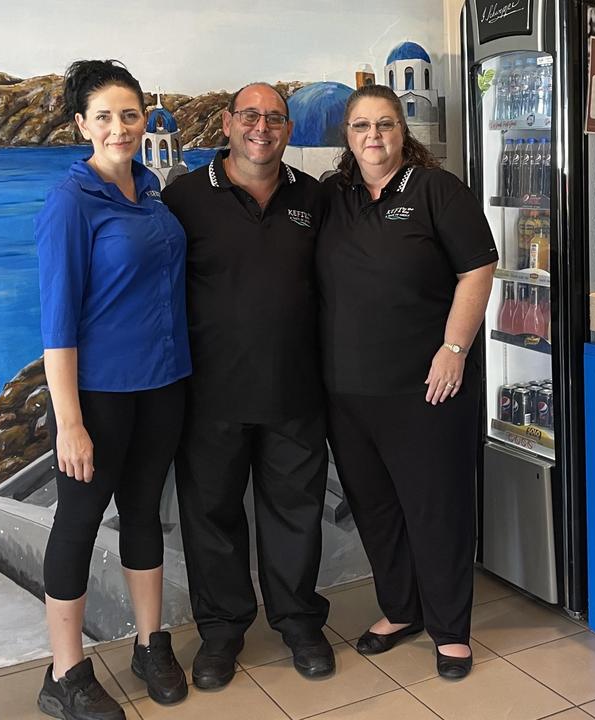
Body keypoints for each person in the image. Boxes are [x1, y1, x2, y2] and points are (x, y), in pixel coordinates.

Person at [316, 84, 497, 679]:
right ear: (347, 135)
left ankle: (450, 630)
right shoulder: (332, 198)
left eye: (386, 124)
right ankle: (400, 610)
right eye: (362, 126)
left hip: (427, 387)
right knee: (376, 507)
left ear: (403, 132)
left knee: (436, 506)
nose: (374, 136)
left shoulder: (436, 190)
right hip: (347, 393)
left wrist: (454, 349)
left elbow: (478, 268)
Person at [162, 82, 333, 689]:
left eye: (276, 117)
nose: (263, 126)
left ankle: (298, 623)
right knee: (211, 517)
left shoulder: (313, 197)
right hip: (210, 394)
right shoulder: (181, 198)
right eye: (251, 115)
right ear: (228, 123)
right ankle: (222, 632)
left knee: (296, 515)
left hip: (296, 391)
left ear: (287, 129)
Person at [34, 60, 190, 720]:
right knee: (76, 523)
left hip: (163, 385)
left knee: (145, 513)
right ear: (82, 125)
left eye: (130, 114)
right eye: (104, 115)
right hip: (97, 397)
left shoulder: (151, 196)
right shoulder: (71, 203)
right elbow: (57, 324)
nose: (120, 127)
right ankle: (64, 674)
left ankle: (150, 644)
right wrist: (70, 422)